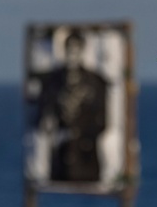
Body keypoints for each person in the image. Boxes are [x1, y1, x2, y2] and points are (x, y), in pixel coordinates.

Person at [34, 30, 109, 183]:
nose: (72, 56)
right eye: (69, 50)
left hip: (87, 156)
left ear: (82, 51)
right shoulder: (52, 81)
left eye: (76, 50)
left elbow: (102, 121)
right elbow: (42, 115)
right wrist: (49, 124)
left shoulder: (96, 81)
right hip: (60, 158)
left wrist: (79, 133)